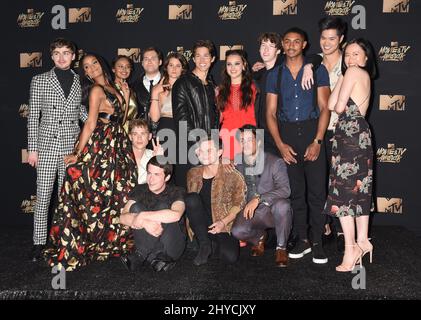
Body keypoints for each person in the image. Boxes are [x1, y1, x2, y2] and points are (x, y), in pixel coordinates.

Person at [44, 53, 137, 271]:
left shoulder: (115, 87)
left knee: (116, 191)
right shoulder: (97, 90)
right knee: (98, 190)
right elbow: (91, 123)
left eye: (94, 62)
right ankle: (90, 239)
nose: (92, 68)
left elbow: (121, 118)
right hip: (102, 142)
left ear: (102, 64)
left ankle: (109, 238)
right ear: (85, 72)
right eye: (86, 67)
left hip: (118, 142)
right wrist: (77, 153)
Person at [266, 27, 331, 264]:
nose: (291, 45)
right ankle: (302, 239)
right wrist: (281, 145)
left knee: (316, 193)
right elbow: (270, 113)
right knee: (296, 193)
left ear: (304, 45)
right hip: (288, 135)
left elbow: (325, 108)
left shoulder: (318, 70)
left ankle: (317, 242)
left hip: (312, 132)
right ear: (282, 45)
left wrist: (317, 141)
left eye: (296, 41)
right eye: (287, 41)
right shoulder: (275, 74)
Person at [27, 38, 88, 262]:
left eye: (66, 53)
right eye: (57, 53)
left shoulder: (80, 80)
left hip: (69, 149)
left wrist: (98, 124)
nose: (61, 57)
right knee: (43, 198)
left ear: (74, 56)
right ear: (51, 57)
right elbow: (33, 116)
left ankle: (63, 239)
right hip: (46, 148)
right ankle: (38, 242)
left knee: (66, 199)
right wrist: (33, 150)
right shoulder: (40, 80)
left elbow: (81, 111)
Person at [322, 38, 376, 272]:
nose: (351, 59)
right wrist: (343, 76)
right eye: (348, 55)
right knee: (359, 188)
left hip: (349, 136)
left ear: (366, 58)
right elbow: (332, 103)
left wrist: (346, 75)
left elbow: (338, 106)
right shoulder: (354, 75)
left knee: (343, 194)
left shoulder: (354, 72)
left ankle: (350, 248)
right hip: (358, 134)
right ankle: (363, 240)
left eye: (356, 54)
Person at [252, 33, 321, 157]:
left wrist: (308, 65)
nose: (266, 50)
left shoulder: (285, 68)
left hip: (283, 134)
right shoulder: (257, 75)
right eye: (263, 45)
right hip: (262, 136)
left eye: (271, 46)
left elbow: (316, 57)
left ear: (279, 50)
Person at [231, 125, 292, 267]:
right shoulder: (238, 162)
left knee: (283, 205)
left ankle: (281, 248)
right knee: (237, 231)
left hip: (272, 209)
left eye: (248, 140)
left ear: (258, 141)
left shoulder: (275, 162)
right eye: (241, 140)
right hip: (252, 212)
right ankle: (259, 238)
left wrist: (259, 199)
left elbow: (285, 190)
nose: (244, 144)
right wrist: (224, 162)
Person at [185, 136, 246, 266]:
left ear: (219, 152)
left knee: (230, 257)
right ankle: (204, 244)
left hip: (223, 224)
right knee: (191, 198)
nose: (205, 154)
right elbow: (192, 207)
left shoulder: (232, 174)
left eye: (209, 150)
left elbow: (239, 203)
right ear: (197, 153)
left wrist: (223, 223)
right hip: (201, 225)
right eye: (201, 150)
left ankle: (212, 245)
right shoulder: (192, 173)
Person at [119, 156, 186, 272]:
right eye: (149, 173)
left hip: (170, 248)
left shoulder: (176, 191)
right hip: (151, 251)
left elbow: (176, 215)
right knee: (136, 207)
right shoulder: (140, 190)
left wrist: (143, 216)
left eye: (156, 175)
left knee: (162, 207)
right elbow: (122, 217)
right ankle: (152, 258)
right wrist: (145, 223)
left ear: (167, 177)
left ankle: (141, 256)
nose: (151, 179)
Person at [172, 40, 219, 188]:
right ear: (193, 59)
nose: (202, 60)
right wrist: (200, 144)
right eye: (198, 56)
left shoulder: (212, 86)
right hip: (190, 148)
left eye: (206, 56)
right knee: (189, 193)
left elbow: (216, 118)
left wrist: (213, 144)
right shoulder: (182, 83)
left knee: (209, 193)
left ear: (212, 59)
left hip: (210, 149)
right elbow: (181, 119)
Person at [318, 17, 347, 250]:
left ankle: (342, 231)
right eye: (323, 38)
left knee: (340, 181)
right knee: (320, 181)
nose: (326, 43)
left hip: (341, 131)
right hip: (318, 130)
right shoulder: (313, 63)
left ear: (341, 39)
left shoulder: (348, 65)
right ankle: (325, 225)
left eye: (331, 38)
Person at [217, 49, 257, 161]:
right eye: (229, 64)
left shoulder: (254, 88)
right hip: (227, 140)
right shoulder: (220, 91)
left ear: (244, 65)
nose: (232, 68)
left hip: (248, 141)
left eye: (237, 63)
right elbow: (218, 119)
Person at [149, 52, 189, 159]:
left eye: (178, 65)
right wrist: (155, 94)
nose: (174, 69)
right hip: (165, 129)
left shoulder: (188, 89)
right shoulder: (158, 89)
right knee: (164, 166)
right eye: (171, 65)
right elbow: (154, 117)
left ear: (183, 69)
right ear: (166, 67)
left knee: (181, 165)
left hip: (183, 129)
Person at [128, 119, 163, 185]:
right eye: (135, 134)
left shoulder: (153, 155)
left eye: (143, 133)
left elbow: (160, 183)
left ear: (149, 136)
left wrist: (158, 160)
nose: (139, 138)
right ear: (130, 137)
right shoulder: (121, 156)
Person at [133, 47, 163, 120]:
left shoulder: (169, 83)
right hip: (141, 128)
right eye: (146, 59)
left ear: (160, 62)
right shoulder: (133, 86)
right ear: (142, 63)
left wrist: (182, 131)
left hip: (165, 128)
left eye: (153, 58)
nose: (149, 61)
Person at [112, 55, 138, 134]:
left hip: (131, 132)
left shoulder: (131, 90)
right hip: (116, 131)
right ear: (113, 69)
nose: (124, 69)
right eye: (120, 66)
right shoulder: (110, 90)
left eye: (127, 66)